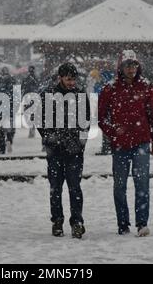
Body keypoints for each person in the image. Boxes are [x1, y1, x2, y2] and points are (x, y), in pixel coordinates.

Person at [98, 50, 153, 237]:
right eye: (127, 65)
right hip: (120, 145)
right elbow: (101, 118)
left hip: (141, 141)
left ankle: (142, 223)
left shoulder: (146, 86)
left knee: (142, 183)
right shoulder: (110, 88)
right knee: (120, 186)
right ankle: (123, 224)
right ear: (121, 67)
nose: (131, 69)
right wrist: (112, 131)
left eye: (134, 65)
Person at [38, 62, 90, 239]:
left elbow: (86, 121)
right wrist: (48, 137)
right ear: (60, 77)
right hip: (55, 150)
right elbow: (40, 120)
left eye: (73, 79)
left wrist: (81, 142)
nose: (71, 82)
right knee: (55, 188)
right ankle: (57, 221)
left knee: (75, 187)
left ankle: (77, 221)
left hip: (74, 150)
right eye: (68, 79)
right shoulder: (48, 95)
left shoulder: (80, 95)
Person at [0, 67, 16, 154]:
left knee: (0, 129)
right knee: (10, 127)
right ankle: (9, 139)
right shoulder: (13, 81)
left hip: (1, 108)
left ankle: (2, 147)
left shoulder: (0, 82)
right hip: (11, 109)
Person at [22, 65, 39, 138]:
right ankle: (32, 129)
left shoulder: (26, 79)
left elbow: (23, 88)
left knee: (28, 114)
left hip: (28, 98)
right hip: (33, 98)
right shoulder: (36, 78)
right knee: (32, 114)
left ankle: (31, 129)